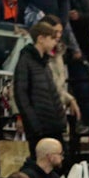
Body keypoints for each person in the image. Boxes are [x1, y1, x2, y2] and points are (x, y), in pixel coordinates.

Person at [14, 19, 68, 149]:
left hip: (52, 125)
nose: (55, 41)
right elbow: (21, 94)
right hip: (40, 127)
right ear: (41, 39)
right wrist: (33, 124)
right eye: (52, 38)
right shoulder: (26, 61)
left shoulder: (44, 63)